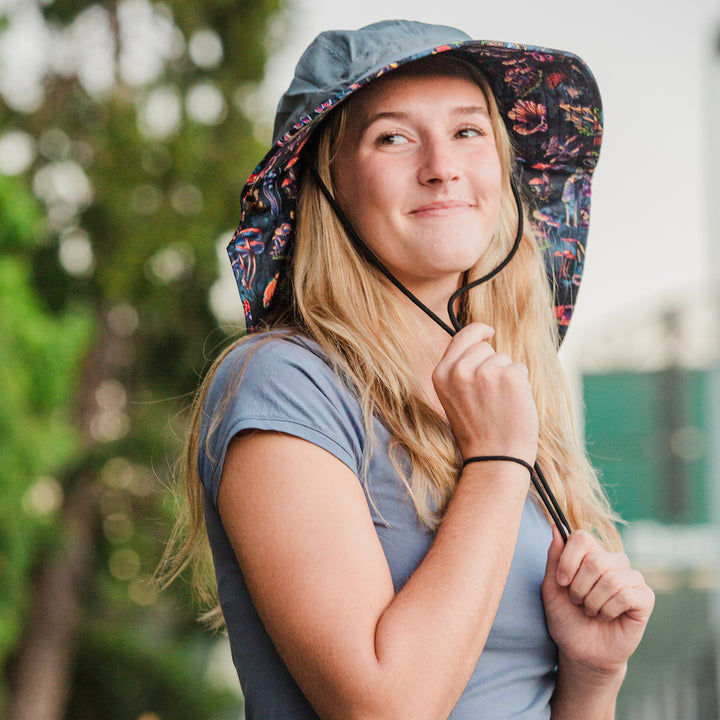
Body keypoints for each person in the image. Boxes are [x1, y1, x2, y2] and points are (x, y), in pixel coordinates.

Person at [166, 19, 655, 720]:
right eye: (393, 137)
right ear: (325, 182)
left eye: (468, 132)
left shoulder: (504, 393)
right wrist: (493, 464)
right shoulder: (283, 383)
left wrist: (592, 676)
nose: (441, 165)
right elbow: (385, 708)